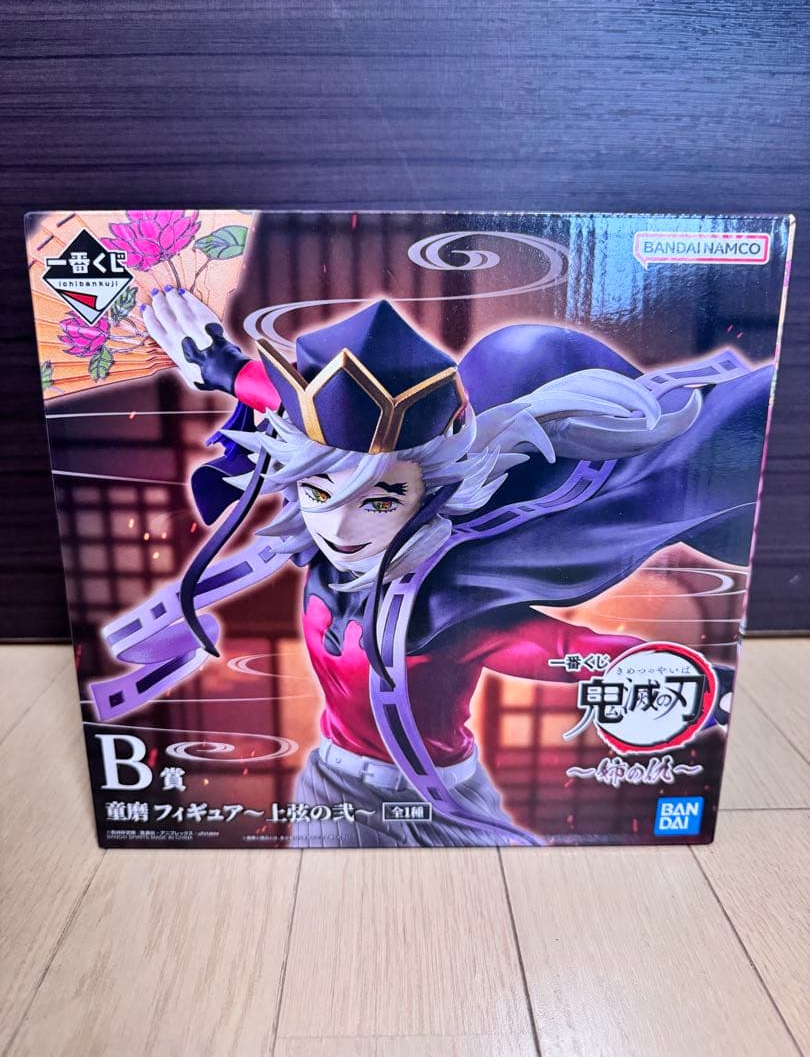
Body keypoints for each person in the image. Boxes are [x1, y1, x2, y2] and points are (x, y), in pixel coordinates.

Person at [94, 286, 770, 846]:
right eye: (318, 493)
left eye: (380, 500)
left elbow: (560, 649)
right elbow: (304, 414)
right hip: (332, 790)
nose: (339, 527)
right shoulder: (318, 550)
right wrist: (219, 365)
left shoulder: (448, 602)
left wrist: (688, 682)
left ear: (431, 493)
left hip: (446, 798)